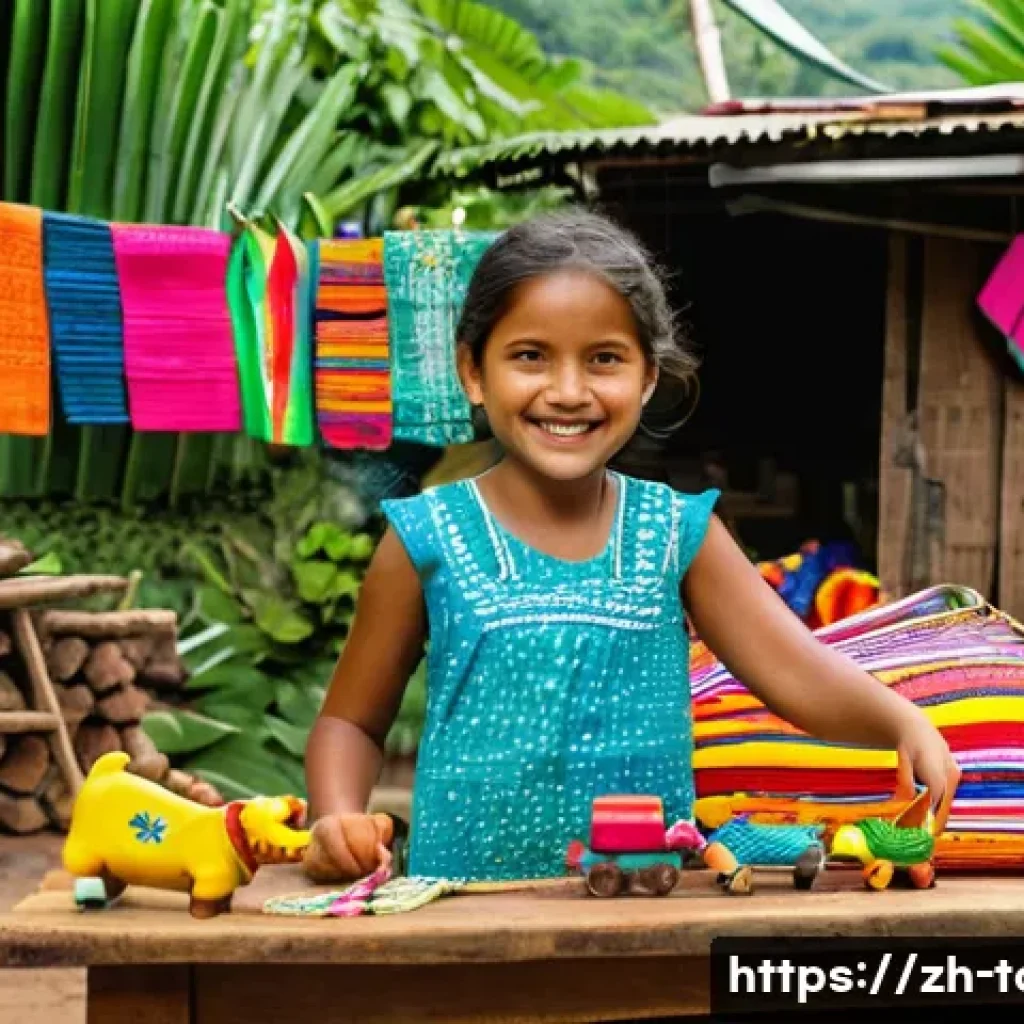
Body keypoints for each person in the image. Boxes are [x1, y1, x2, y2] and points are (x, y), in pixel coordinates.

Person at [303, 208, 959, 883]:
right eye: (530, 356)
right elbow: (351, 724)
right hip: (459, 924)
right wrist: (336, 816)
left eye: (604, 359)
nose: (567, 391)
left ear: (647, 378)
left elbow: (795, 671)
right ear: (474, 372)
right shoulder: (426, 536)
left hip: (645, 920)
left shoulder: (679, 533)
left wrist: (904, 723)